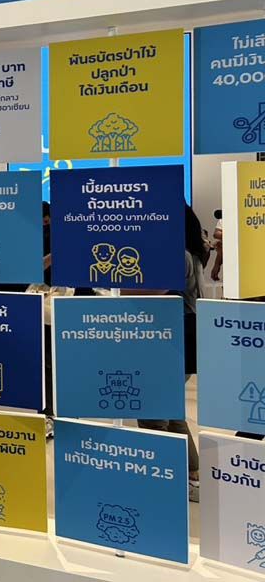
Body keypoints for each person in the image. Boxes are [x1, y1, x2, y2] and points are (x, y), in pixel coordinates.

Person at [137, 205, 207, 502]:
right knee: (171, 409)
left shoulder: (177, 255)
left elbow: (154, 291)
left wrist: (113, 288)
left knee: (152, 413)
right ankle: (192, 473)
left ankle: (165, 477)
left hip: (171, 342)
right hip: (176, 341)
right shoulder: (189, 252)